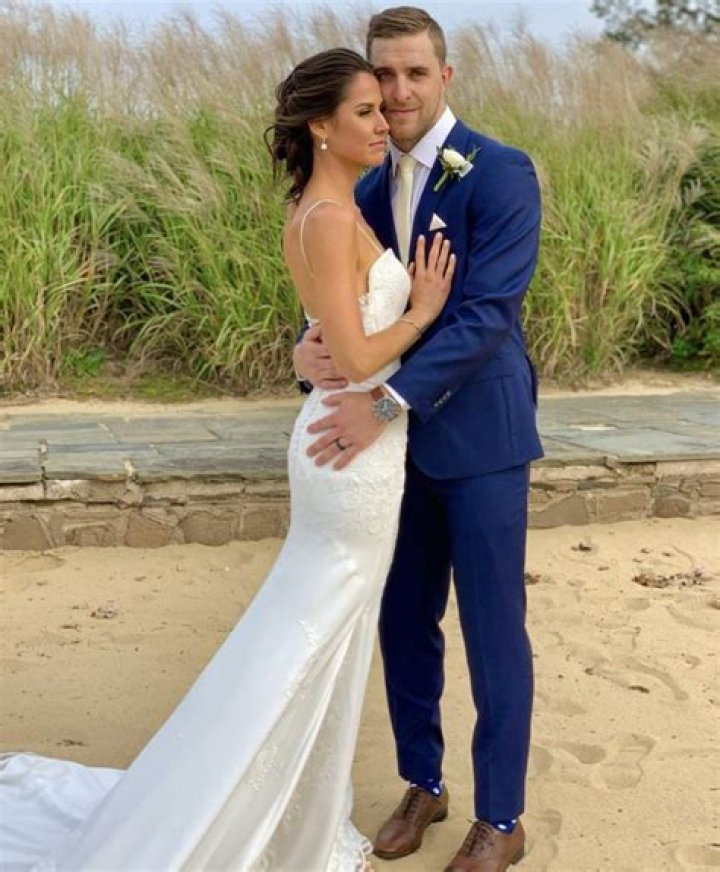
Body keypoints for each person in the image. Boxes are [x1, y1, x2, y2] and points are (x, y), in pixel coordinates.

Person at [0, 48, 454, 872]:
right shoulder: (327, 219)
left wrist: (315, 347)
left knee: (321, 631)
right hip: (349, 455)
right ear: (320, 126)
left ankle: (293, 811)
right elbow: (358, 357)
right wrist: (422, 310)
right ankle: (246, 814)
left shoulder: (329, 210)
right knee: (306, 633)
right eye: (363, 111)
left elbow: (331, 337)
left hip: (355, 443)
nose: (382, 120)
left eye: (381, 109)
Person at [294, 8, 543, 872]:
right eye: (384, 76)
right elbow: (339, 302)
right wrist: (304, 353)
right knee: (405, 620)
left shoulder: (500, 172)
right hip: (391, 457)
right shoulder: (363, 185)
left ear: (446, 76)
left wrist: (385, 401)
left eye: (414, 73)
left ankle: (502, 819)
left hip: (481, 443)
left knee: (493, 630)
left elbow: (485, 317)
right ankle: (423, 784)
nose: (397, 92)